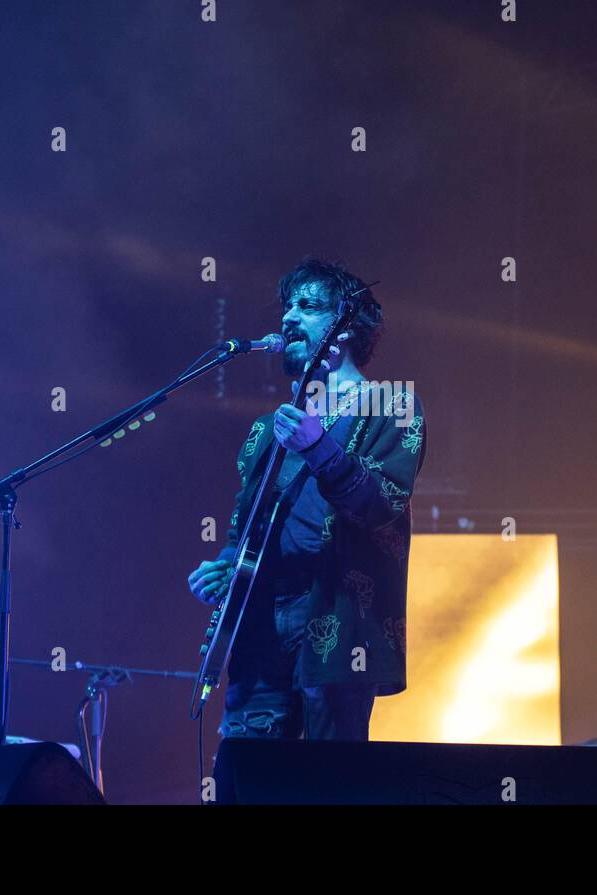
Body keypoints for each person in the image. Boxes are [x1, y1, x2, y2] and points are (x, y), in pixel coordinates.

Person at [187, 257, 426, 741]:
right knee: (247, 777)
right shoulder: (265, 429)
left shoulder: (390, 403)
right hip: (259, 626)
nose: (288, 317)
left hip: (335, 616)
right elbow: (244, 530)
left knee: (323, 784)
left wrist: (320, 448)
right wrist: (228, 565)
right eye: (287, 306)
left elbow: (382, 505)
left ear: (346, 328)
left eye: (309, 306)